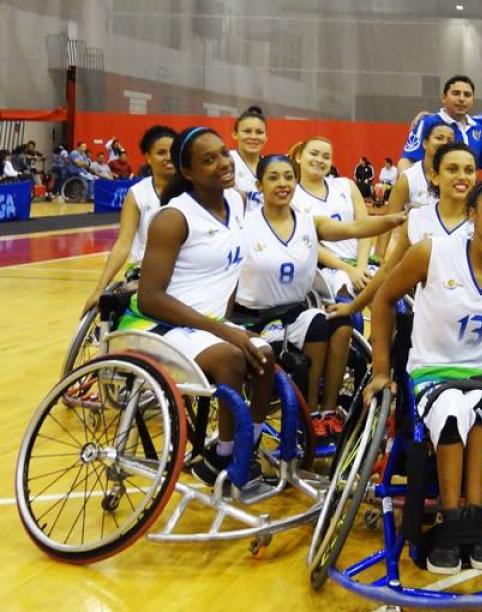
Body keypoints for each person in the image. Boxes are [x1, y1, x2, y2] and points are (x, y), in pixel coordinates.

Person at [363, 178, 482, 574]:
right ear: (471, 214)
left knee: (480, 409)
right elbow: (384, 299)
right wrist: (381, 370)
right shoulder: (432, 252)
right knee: (450, 408)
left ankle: (475, 517)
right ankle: (451, 517)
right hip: (428, 375)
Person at [117, 126, 275, 487]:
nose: (223, 163)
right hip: (156, 326)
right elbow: (150, 297)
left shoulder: (236, 202)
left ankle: (244, 446)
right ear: (188, 172)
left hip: (204, 327)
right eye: (209, 159)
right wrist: (222, 328)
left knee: (264, 353)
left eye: (223, 153)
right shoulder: (173, 218)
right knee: (232, 356)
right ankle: (223, 453)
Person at [233, 155, 404, 437]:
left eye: (288, 177)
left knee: (341, 322)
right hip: (256, 321)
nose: (282, 183)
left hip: (297, 313)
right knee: (318, 323)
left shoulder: (307, 222)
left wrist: (396, 219)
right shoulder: (243, 225)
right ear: (258, 185)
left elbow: (355, 228)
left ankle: (328, 410)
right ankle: (308, 413)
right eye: (273, 177)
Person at [335, 142, 478, 318]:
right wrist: (353, 307)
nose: (462, 176)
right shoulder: (417, 219)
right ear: (434, 176)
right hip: (426, 326)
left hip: (473, 323)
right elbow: (389, 270)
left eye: (469, 170)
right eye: (452, 169)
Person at [83, 125, 178, 313]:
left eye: (172, 152)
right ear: (148, 157)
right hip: (145, 272)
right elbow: (123, 244)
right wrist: (99, 289)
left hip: (185, 271)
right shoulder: (137, 194)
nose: (168, 157)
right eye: (161, 153)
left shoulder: (193, 190)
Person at [289, 136, 372, 297]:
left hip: (363, 263)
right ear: (299, 157)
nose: (320, 160)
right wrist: (348, 269)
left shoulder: (346, 185)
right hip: (328, 269)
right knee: (346, 302)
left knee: (397, 302)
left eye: (326, 157)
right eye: (314, 154)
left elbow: (365, 227)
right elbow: (309, 243)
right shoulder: (292, 197)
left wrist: (362, 266)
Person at [401, 75, 482, 172]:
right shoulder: (426, 122)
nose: (462, 99)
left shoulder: (478, 128)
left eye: (467, 95)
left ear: (473, 100)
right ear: (444, 98)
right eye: (456, 93)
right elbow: (406, 161)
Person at [230, 105, 267, 201]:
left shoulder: (270, 165)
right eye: (247, 131)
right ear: (235, 134)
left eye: (259, 132)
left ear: (266, 137)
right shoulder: (226, 161)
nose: (253, 137)